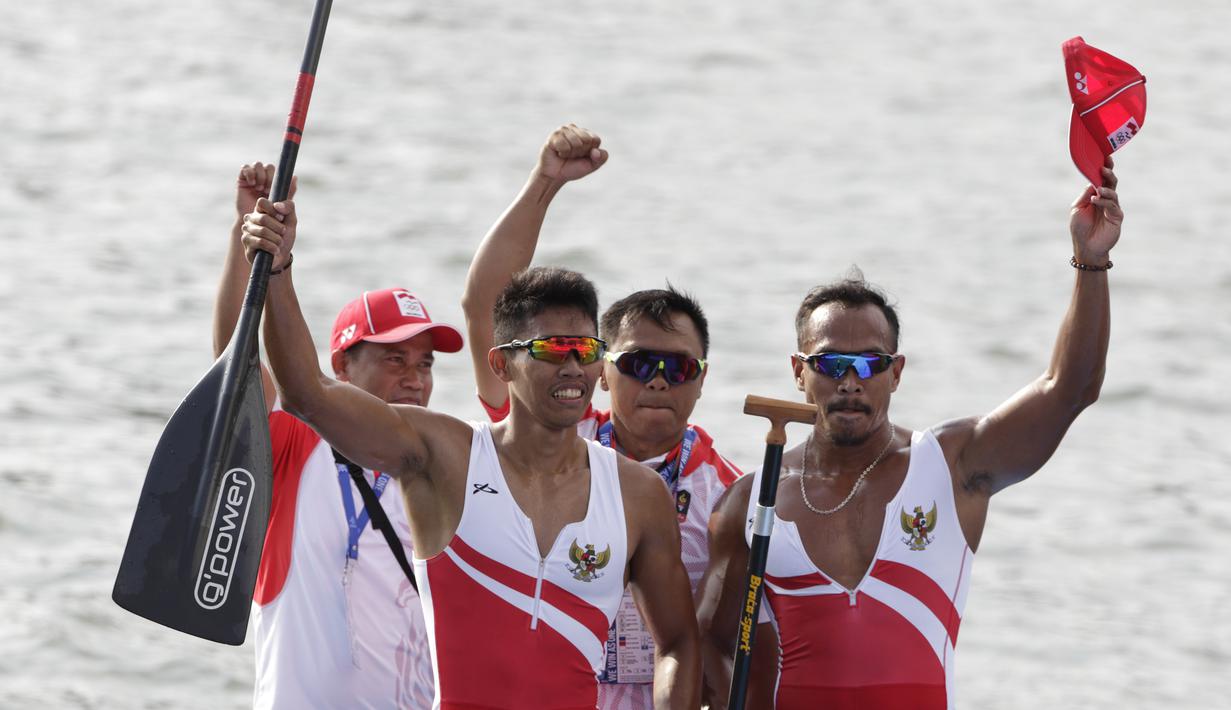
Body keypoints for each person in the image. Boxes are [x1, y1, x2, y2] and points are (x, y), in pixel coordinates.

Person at [239, 185, 702, 709]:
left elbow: (680, 645)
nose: (572, 366)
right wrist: (277, 270)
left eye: (585, 349)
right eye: (551, 349)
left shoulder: (638, 494)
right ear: (501, 364)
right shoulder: (445, 456)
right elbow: (307, 393)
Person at [698, 159, 1126, 709]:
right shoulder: (751, 502)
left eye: (869, 363)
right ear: (798, 371)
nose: (850, 381)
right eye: (830, 364)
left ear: (896, 372)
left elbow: (1070, 388)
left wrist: (1091, 262)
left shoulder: (951, 466)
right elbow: (713, 648)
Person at [461, 124, 744, 709]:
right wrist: (545, 184)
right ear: (600, 370)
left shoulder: (728, 495)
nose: (660, 380)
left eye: (679, 368)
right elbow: (487, 302)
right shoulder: (550, 429)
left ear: (702, 381)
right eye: (639, 364)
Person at [217, 163, 461, 709]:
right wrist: (247, 238)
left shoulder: (444, 468)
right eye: (394, 358)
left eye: (425, 364)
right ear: (342, 369)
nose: (414, 378)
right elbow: (235, 372)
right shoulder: (297, 446)